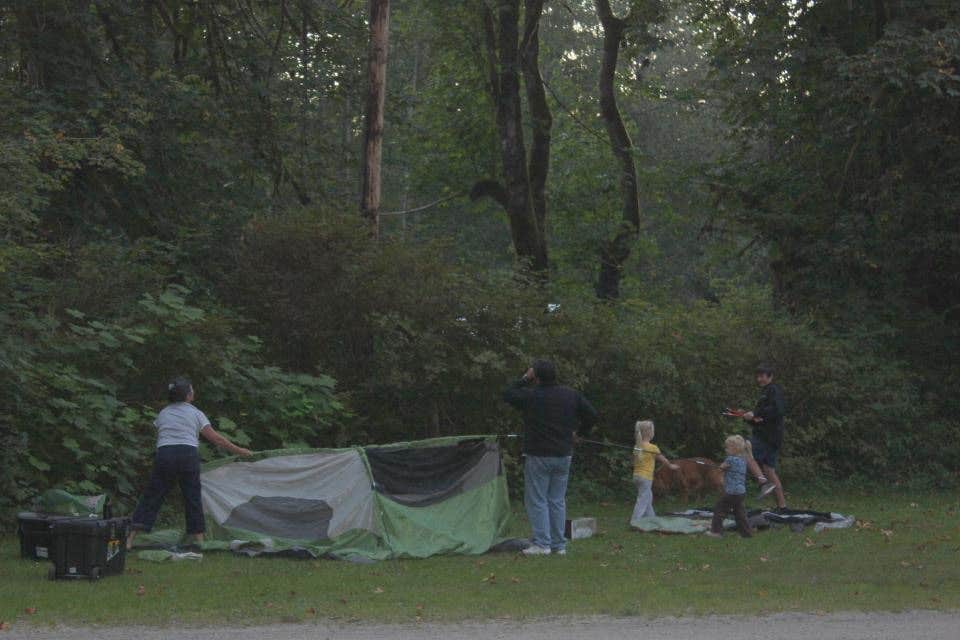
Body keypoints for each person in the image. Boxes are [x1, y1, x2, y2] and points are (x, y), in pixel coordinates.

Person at [127, 376, 253, 550]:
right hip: (187, 454)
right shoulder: (195, 413)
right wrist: (241, 451)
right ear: (187, 395)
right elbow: (216, 438)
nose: (194, 392)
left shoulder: (163, 413)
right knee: (192, 497)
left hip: (165, 454)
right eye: (192, 389)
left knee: (152, 496)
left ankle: (130, 540)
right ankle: (200, 542)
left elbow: (161, 434)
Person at [503, 360, 598, 556]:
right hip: (564, 454)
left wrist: (524, 378)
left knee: (537, 499)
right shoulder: (571, 395)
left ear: (535, 377)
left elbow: (508, 393)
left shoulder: (532, 396)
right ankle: (558, 545)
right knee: (557, 500)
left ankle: (542, 544)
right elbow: (592, 415)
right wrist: (580, 433)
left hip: (538, 455)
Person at [742, 364, 787, 509]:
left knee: (743, 450)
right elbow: (762, 419)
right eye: (758, 376)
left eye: (762, 376)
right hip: (770, 437)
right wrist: (749, 417)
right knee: (769, 470)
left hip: (767, 437)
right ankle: (782, 507)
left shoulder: (773, 389)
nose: (759, 379)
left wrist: (756, 414)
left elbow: (777, 410)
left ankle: (763, 483)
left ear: (770, 377)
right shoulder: (766, 392)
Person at [631, 420, 679, 523]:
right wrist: (671, 466)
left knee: (648, 497)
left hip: (636, 476)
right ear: (650, 432)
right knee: (643, 499)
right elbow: (663, 459)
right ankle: (635, 521)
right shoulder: (652, 447)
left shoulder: (637, 446)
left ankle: (652, 518)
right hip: (646, 477)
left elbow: (634, 462)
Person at [705, 435, 753, 538]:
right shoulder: (743, 459)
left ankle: (716, 532)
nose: (726, 449)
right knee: (740, 513)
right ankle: (746, 534)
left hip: (731, 492)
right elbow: (751, 458)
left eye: (728, 447)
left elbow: (720, 468)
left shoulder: (730, 459)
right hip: (741, 492)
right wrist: (749, 449)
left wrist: (719, 468)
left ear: (735, 448)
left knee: (719, 510)